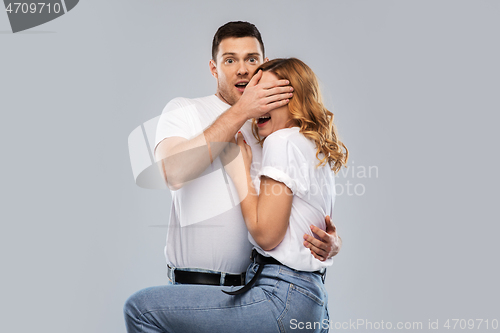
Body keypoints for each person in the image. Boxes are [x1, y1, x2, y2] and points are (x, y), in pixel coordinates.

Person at [124, 21, 342, 332]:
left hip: (253, 292)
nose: (242, 69)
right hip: (195, 289)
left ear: (263, 65)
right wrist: (241, 111)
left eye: (252, 59)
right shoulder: (184, 110)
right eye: (230, 60)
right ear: (214, 68)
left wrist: (330, 242)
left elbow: (295, 208)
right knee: (142, 310)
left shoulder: (270, 130)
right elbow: (172, 173)